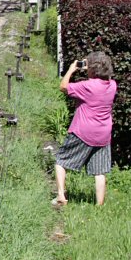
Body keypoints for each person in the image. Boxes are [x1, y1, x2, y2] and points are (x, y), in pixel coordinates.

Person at [53, 51, 117, 206]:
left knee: (61, 160)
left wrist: (72, 69)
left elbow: (63, 86)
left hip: (83, 131)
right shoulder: (112, 86)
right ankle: (99, 205)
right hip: (103, 134)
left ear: (92, 69)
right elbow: (103, 79)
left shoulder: (88, 86)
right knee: (99, 171)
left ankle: (61, 195)